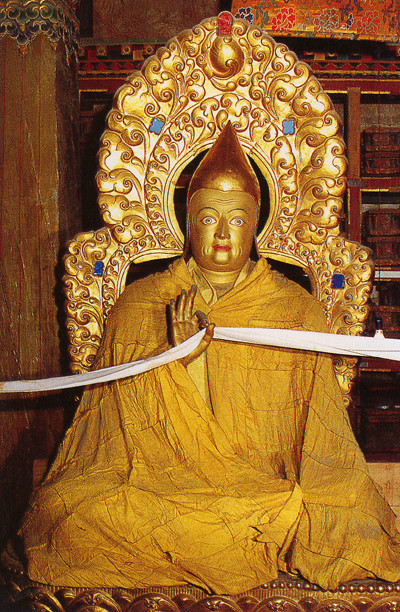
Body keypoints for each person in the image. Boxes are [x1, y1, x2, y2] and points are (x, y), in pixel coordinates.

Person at [19, 123, 400, 593]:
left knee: (337, 519)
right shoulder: (140, 304)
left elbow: (322, 438)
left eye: (236, 220)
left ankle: (248, 530)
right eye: (208, 218)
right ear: (186, 223)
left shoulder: (295, 310)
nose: (222, 234)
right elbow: (109, 434)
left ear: (257, 225)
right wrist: (181, 361)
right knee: (66, 515)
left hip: (263, 486)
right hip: (163, 485)